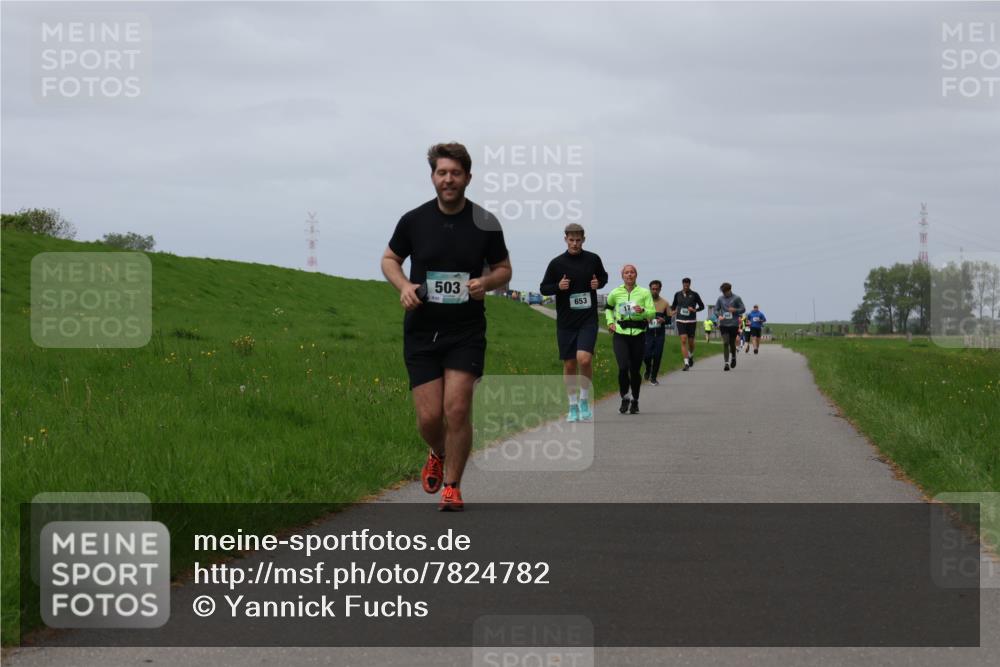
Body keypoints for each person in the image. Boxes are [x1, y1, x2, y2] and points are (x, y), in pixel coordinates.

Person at [381, 142, 511, 511]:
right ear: (433, 177)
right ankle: (437, 451)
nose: (448, 179)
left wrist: (485, 283)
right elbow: (390, 258)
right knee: (429, 417)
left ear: (468, 177)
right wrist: (404, 285)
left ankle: (452, 487)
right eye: (442, 173)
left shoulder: (485, 223)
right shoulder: (414, 220)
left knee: (456, 408)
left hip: (466, 330)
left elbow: (504, 269)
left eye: (455, 173)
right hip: (422, 329)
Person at [539, 223, 609, 422]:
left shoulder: (593, 259)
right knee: (569, 364)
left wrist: (599, 283)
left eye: (578, 240)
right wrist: (558, 286)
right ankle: (572, 406)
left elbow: (603, 277)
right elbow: (544, 288)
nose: (575, 244)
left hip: (588, 319)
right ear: (565, 239)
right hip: (566, 321)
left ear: (583, 240)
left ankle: (584, 400)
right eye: (571, 240)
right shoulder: (556, 263)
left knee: (584, 359)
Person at [605, 265, 654, 414]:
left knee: (634, 370)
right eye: (626, 273)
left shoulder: (644, 292)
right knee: (622, 368)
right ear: (622, 276)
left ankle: (635, 400)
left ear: (636, 275)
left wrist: (643, 310)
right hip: (621, 333)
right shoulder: (615, 292)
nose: (629, 275)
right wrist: (610, 322)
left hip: (638, 334)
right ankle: (625, 397)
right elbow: (608, 308)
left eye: (632, 272)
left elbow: (652, 313)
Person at [670, 277, 705, 371]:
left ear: (690, 284)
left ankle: (691, 356)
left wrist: (694, 310)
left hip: (691, 321)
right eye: (684, 284)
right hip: (680, 320)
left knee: (691, 342)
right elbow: (673, 305)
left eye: (687, 284)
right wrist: (673, 311)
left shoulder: (694, 294)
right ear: (682, 284)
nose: (686, 286)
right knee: (683, 340)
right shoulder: (677, 294)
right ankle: (686, 363)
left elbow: (702, 306)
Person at [643, 280, 671, 385]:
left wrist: (663, 320)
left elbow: (669, 318)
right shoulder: (644, 301)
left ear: (660, 289)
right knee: (646, 355)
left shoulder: (665, 303)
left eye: (657, 289)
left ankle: (653, 377)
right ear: (649, 289)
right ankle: (648, 368)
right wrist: (645, 318)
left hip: (660, 333)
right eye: (653, 289)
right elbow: (639, 314)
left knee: (657, 356)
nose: (654, 291)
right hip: (647, 333)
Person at [714, 282, 746, 371]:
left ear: (729, 290)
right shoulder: (720, 299)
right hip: (723, 324)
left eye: (725, 292)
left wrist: (735, 310)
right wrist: (718, 315)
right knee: (725, 342)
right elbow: (716, 309)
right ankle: (726, 363)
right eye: (723, 292)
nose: (724, 294)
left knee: (732, 343)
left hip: (733, 324)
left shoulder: (737, 298)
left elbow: (743, 309)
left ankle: (734, 357)